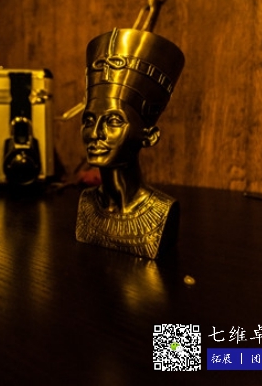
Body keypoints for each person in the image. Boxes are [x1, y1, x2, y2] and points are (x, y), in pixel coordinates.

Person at [77, 28, 185, 259]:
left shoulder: (163, 211)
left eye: (113, 121)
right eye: (89, 120)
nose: (95, 133)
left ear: (149, 136)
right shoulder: (86, 203)